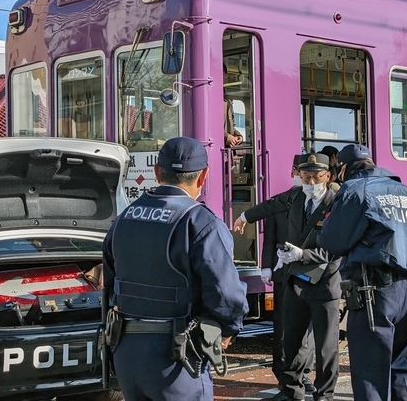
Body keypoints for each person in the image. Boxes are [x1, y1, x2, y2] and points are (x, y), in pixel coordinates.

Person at [102, 136, 249, 401]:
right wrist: (228, 329)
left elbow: (110, 284)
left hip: (126, 352)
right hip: (177, 356)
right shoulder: (200, 221)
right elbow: (226, 294)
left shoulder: (124, 218)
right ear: (203, 176)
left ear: (157, 172)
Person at [317, 144, 407, 401]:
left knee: (371, 373)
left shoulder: (356, 190)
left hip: (374, 294)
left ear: (345, 168)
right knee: (399, 367)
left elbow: (333, 241)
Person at [237, 154, 341, 401]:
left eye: (316, 177)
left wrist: (302, 254)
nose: (311, 182)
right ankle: (292, 391)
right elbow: (271, 206)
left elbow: (336, 249)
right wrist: (244, 217)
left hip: (324, 282)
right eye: (306, 177)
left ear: (327, 176)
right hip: (297, 280)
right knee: (291, 339)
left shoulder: (337, 203)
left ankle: (324, 394)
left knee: (326, 346)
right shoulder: (296, 196)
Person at [223, 64, 243, 147]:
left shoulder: (227, 99)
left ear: (225, 75)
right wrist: (226, 137)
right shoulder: (211, 98)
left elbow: (230, 126)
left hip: (228, 153)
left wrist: (237, 135)